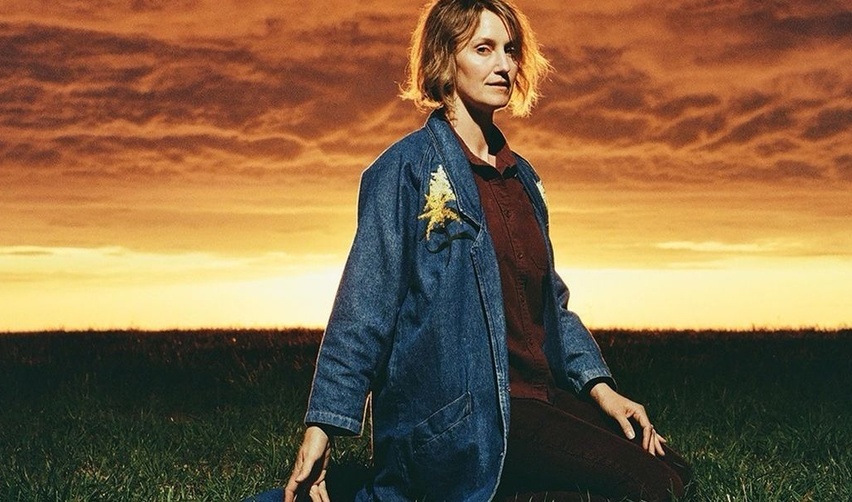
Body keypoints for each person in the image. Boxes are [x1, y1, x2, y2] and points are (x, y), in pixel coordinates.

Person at [274, 0, 693, 500]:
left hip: (533, 401)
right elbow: (364, 307)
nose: (504, 65)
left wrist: (602, 391)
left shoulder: (522, 177)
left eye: (510, 50)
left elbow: (551, 306)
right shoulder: (404, 171)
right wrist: (324, 424)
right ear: (444, 59)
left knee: (673, 470)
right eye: (483, 49)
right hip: (460, 417)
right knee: (649, 486)